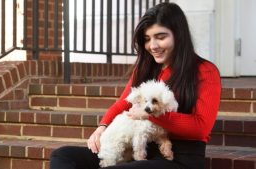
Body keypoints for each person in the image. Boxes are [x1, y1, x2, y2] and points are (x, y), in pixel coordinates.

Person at [50, 2, 221, 169]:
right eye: (147, 39)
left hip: (180, 158)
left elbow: (200, 127)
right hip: (138, 148)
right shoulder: (145, 68)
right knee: (63, 155)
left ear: (179, 35)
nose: (152, 46)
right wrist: (102, 127)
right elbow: (124, 103)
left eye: (161, 37)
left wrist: (149, 114)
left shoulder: (205, 71)